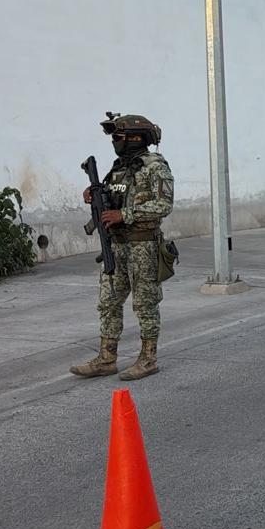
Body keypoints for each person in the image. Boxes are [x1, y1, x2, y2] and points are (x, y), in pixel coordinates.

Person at [71, 113, 174, 381]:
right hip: (116, 245)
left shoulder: (156, 166)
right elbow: (112, 199)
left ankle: (148, 359)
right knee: (108, 302)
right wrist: (95, 196)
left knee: (145, 304)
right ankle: (107, 359)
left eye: (118, 136)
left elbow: (164, 205)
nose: (115, 142)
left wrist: (124, 215)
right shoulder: (118, 168)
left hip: (143, 247)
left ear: (136, 138)